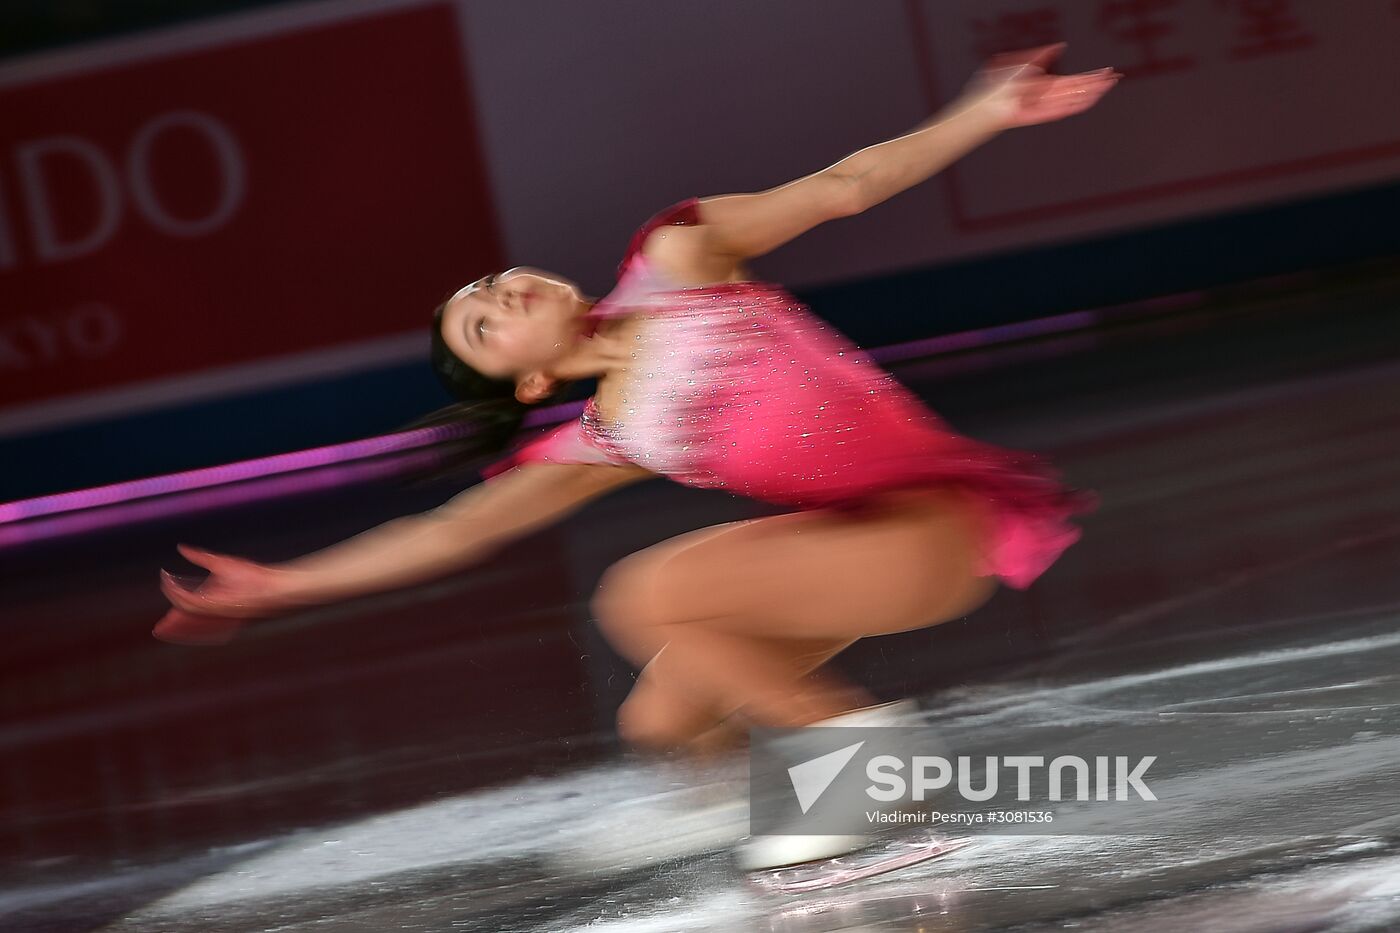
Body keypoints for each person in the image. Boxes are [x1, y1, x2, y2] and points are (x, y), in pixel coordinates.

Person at [155, 44, 1118, 869]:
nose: (503, 294)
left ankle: (859, 762)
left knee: (639, 597)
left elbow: (845, 186)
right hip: (861, 554)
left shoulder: (678, 256)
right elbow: (449, 532)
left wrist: (986, 110)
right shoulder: (607, 438)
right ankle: (719, 802)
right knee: (660, 722)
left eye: (492, 284)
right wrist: (283, 586)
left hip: (935, 532)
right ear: (529, 383)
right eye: (486, 325)